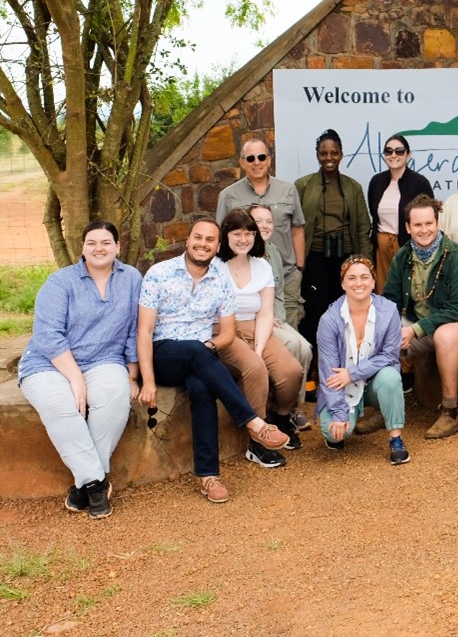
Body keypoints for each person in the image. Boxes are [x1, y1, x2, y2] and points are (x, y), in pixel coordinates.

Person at [137, 219, 290, 503]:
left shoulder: (221, 281)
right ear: (188, 240)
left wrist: (209, 346)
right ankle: (255, 423)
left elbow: (228, 334)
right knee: (197, 350)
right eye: (198, 237)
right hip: (163, 354)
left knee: (202, 388)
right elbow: (144, 331)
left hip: (200, 355)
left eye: (210, 240)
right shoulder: (159, 273)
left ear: (217, 247)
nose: (203, 244)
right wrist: (147, 381)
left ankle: (209, 477)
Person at [17, 221, 142, 519]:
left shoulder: (132, 279)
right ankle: (97, 484)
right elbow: (48, 335)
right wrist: (75, 379)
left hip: (104, 359)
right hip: (49, 363)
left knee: (114, 395)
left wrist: (133, 375)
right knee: (60, 404)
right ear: (82, 248)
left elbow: (134, 330)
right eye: (92, 243)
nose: (99, 248)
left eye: (106, 242)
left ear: (118, 247)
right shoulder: (61, 282)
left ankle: (82, 483)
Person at [215, 208, 305, 468]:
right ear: (226, 235)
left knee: (291, 371)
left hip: (256, 326)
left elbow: (265, 313)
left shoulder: (262, 266)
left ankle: (281, 416)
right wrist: (253, 357)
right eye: (237, 233)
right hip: (222, 329)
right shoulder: (215, 266)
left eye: (249, 233)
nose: (243, 239)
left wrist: (259, 347)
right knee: (255, 369)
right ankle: (257, 441)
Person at [384, 194, 458, 439]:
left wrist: (414, 331)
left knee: (444, 336)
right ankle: (382, 406)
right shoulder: (403, 256)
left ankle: (450, 412)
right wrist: (393, 330)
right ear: (407, 227)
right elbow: (390, 300)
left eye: (429, 224)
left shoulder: (457, 256)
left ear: (437, 223)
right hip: (417, 325)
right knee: (378, 331)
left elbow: (457, 308)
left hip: (457, 324)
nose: (424, 230)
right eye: (417, 225)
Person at [316, 255, 410, 464]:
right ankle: (347, 414)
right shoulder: (329, 320)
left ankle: (396, 439)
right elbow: (328, 371)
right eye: (351, 278)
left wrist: (352, 374)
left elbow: (389, 355)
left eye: (364, 277)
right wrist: (339, 415)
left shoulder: (388, 311)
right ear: (342, 283)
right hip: (342, 387)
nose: (359, 283)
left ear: (374, 281)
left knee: (391, 376)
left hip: (375, 383)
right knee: (334, 433)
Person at [295, 129, 373, 357]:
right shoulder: (303, 185)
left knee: (346, 312)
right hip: (315, 259)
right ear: (317, 155)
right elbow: (296, 227)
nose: (329, 158)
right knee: (315, 312)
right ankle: (314, 369)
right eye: (324, 153)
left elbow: (362, 227)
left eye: (334, 153)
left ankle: (346, 364)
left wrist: (365, 264)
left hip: (346, 259)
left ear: (341, 155)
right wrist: (299, 263)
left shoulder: (353, 187)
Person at [216, 137, 306, 329]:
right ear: (242, 162)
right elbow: (220, 237)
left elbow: (297, 228)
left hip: (286, 277)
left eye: (261, 157)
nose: (256, 162)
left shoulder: (288, 190)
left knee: (288, 335)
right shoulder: (228, 195)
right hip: (245, 283)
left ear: (269, 159)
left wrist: (299, 268)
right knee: (251, 334)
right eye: (250, 158)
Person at [249, 204, 313, 432]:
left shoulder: (273, 250)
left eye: (268, 221)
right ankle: (279, 407)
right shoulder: (244, 252)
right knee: (294, 344)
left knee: (305, 348)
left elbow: (278, 291)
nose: (264, 226)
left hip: (276, 317)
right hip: (255, 320)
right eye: (258, 221)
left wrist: (279, 316)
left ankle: (294, 406)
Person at [367, 133, 433, 293]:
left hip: (408, 247)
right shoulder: (376, 181)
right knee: (383, 292)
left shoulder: (419, 182)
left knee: (408, 292)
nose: (393, 155)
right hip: (381, 248)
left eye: (399, 151)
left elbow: (429, 216)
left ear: (408, 154)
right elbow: (373, 212)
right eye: (388, 151)